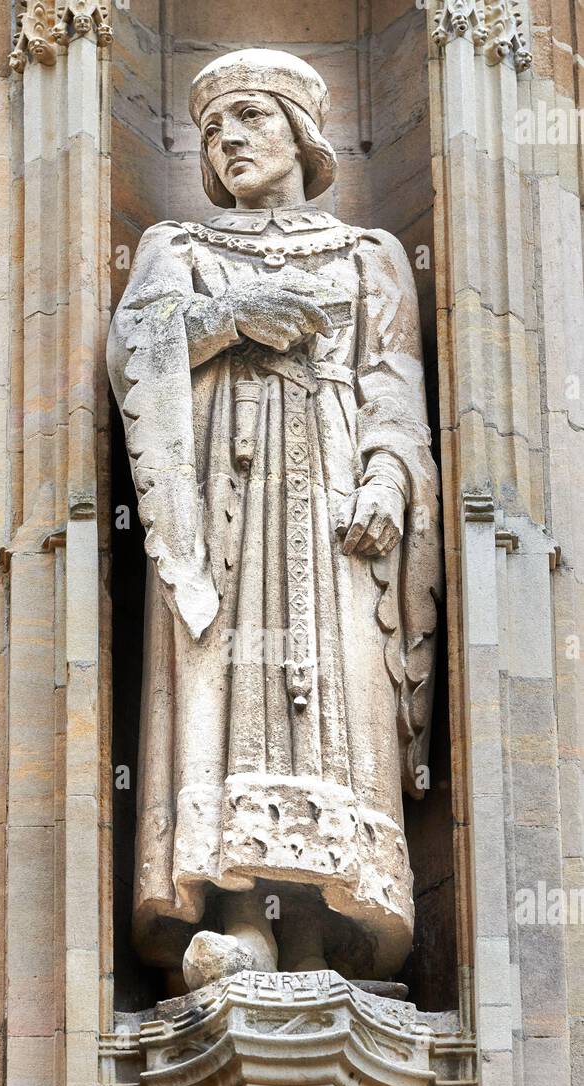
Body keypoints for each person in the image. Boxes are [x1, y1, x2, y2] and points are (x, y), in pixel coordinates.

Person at [107, 49, 442, 989]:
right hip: (223, 493)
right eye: (213, 130)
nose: (229, 140)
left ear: (300, 132)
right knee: (228, 687)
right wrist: (232, 316)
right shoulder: (180, 247)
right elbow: (135, 351)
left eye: (250, 118)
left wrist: (386, 477)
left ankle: (310, 931)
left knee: (329, 691)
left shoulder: (366, 254)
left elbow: (394, 385)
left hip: (331, 493)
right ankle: (235, 919)